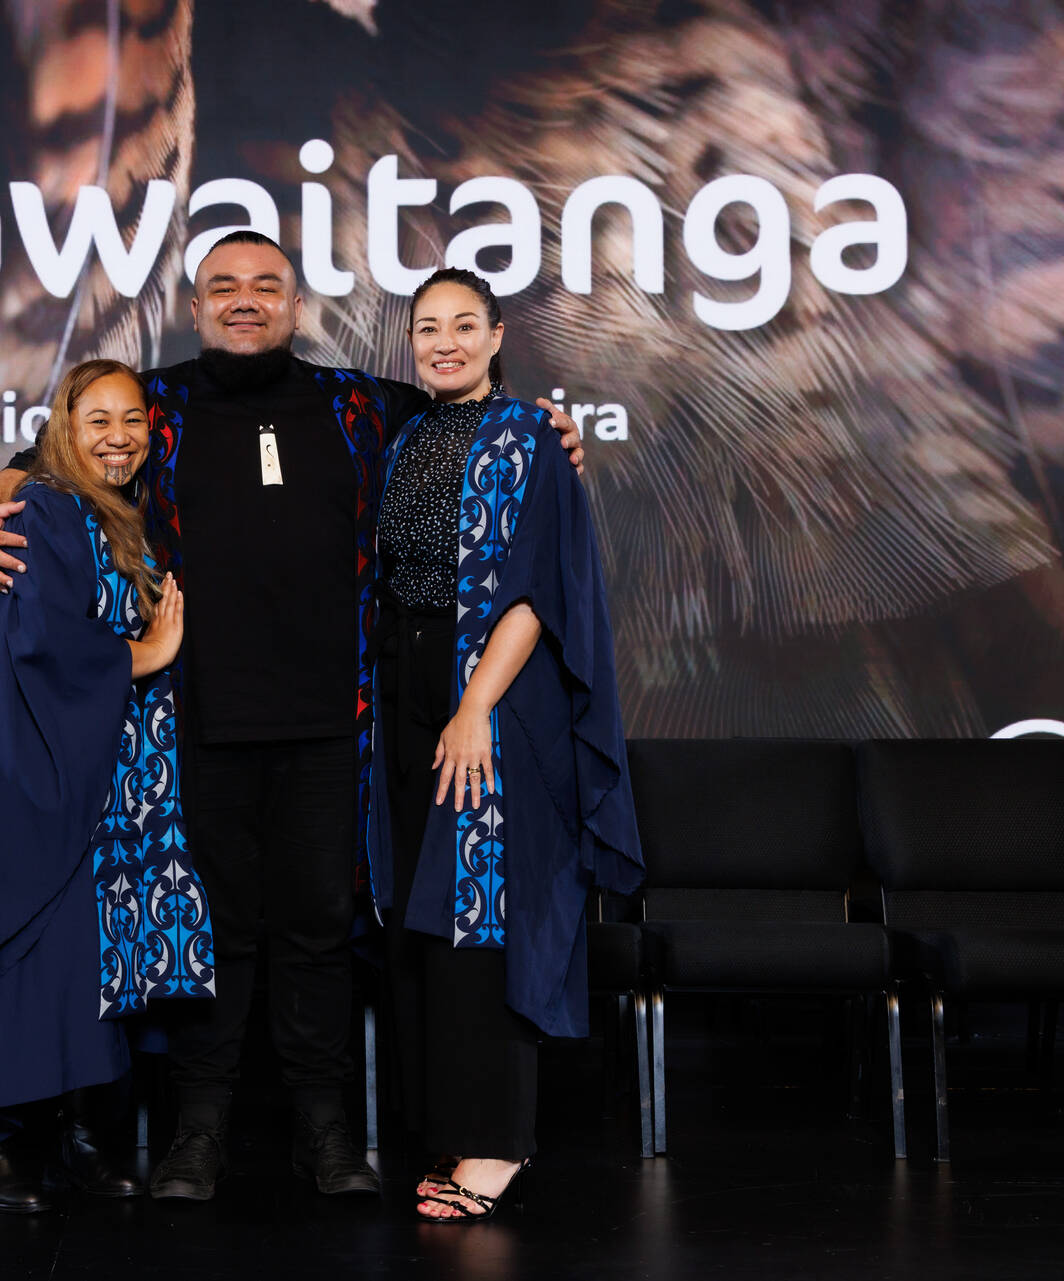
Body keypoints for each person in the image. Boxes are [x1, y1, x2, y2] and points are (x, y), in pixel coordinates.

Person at [0, 231, 585, 1202]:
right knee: (213, 934)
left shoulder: (362, 406)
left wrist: (554, 433)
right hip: (193, 725)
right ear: (196, 307)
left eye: (265, 285)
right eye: (224, 287)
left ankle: (326, 1134)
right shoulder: (153, 404)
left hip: (336, 730)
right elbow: (41, 460)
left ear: (296, 306)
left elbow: (479, 417)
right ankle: (197, 1137)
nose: (244, 299)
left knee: (318, 933)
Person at [366, 267, 644, 1222]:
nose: (443, 342)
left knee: (481, 916)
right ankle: (452, 1122)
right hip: (406, 688)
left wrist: (475, 704)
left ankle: (496, 1142)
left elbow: (537, 588)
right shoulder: (406, 436)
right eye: (427, 327)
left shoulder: (529, 434)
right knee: (425, 918)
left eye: (463, 325)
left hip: (490, 692)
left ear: (496, 337)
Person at [0, 358, 215, 1213]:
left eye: (132, 421)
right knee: (27, 947)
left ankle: (80, 1135)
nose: (119, 438)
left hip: (96, 767)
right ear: (63, 426)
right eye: (99, 421)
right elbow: (43, 641)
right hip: (30, 765)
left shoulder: (117, 513)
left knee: (88, 955)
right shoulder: (46, 507)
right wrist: (148, 654)